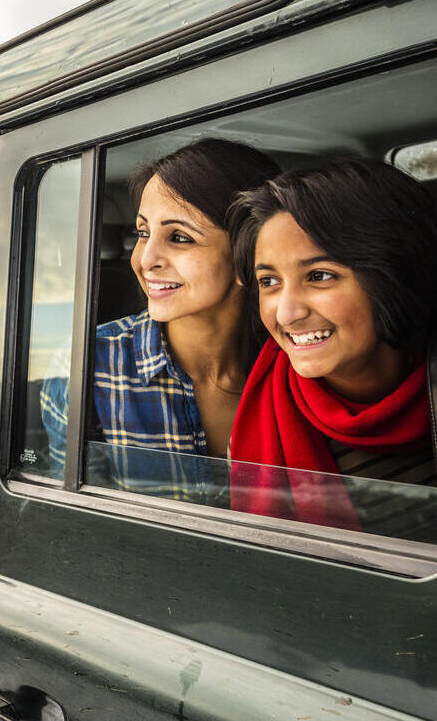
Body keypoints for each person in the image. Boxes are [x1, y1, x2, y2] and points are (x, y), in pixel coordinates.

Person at [226, 158, 437, 531]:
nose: (287, 313)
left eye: (320, 276)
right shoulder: (257, 425)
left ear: (394, 275)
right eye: (269, 282)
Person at [40, 137, 280, 491]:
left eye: (180, 237)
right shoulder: (89, 365)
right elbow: (76, 527)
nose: (145, 259)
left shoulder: (294, 359)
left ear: (248, 250)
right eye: (142, 232)